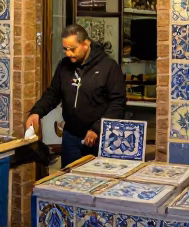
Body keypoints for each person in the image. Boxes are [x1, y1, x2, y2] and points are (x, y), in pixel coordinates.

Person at [25, 25, 128, 167]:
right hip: (71, 137)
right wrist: (36, 112)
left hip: (100, 138)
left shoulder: (108, 67)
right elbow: (53, 94)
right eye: (65, 49)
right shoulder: (64, 66)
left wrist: (97, 129)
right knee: (68, 179)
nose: (68, 53)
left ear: (86, 44)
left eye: (72, 49)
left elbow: (117, 103)